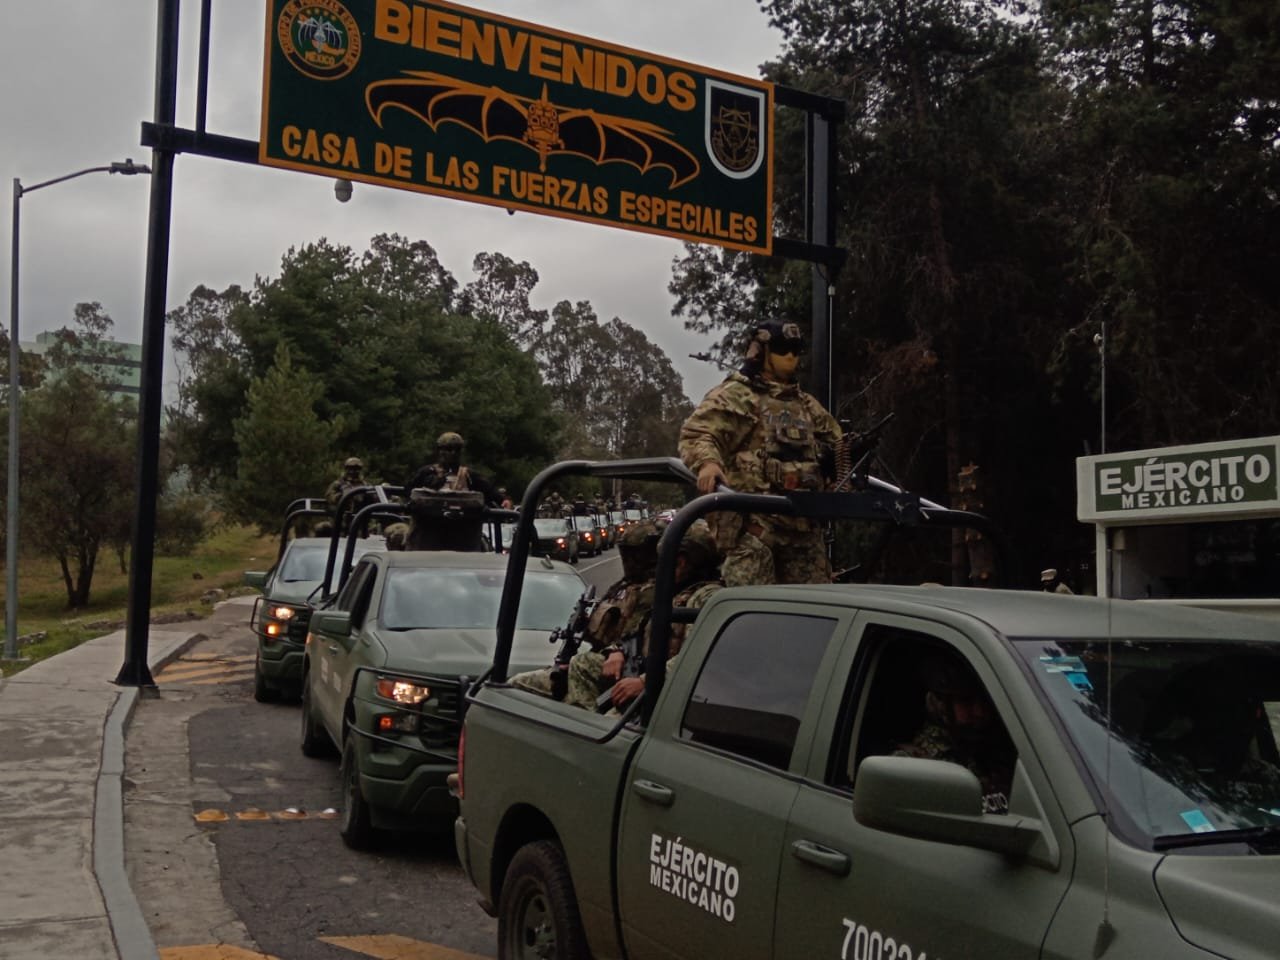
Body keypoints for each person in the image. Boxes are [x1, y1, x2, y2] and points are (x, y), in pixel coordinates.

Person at [678, 320, 842, 586]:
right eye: (781, 348)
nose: (790, 356)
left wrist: (836, 472)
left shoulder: (806, 405)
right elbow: (699, 433)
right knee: (752, 617)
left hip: (804, 533)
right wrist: (707, 463)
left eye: (796, 349)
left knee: (815, 615)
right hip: (755, 532)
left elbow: (838, 445)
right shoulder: (738, 395)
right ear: (760, 352)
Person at [509, 520, 662, 700]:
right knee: (515, 685)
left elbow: (633, 636)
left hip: (618, 672)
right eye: (625, 553)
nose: (628, 560)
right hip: (592, 663)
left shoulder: (654, 593)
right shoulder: (622, 587)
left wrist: (613, 651)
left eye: (633, 554)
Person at [593, 519, 723, 712]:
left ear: (680, 562)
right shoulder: (674, 593)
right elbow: (636, 631)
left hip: (671, 699)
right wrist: (617, 650)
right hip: (645, 674)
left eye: (663, 561)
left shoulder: (705, 598)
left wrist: (645, 681)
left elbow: (700, 654)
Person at [894, 652, 1016, 814]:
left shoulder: (1003, 752)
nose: (980, 711)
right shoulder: (913, 764)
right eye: (965, 701)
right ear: (940, 705)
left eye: (985, 700)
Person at [404, 431, 500, 506]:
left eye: (457, 449)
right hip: (428, 523)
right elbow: (408, 491)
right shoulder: (426, 472)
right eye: (449, 448)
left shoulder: (469, 475)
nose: (453, 453)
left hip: (462, 524)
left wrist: (505, 500)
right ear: (440, 450)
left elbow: (491, 492)